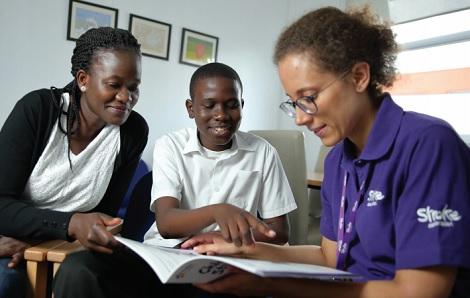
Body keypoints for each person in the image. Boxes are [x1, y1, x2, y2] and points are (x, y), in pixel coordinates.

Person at [181, 6, 470, 298]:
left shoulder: (427, 144)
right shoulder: (338, 161)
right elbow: (330, 258)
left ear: (359, 77)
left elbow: (418, 293)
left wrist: (271, 285)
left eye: (308, 97)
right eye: (294, 103)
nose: (300, 118)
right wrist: (244, 249)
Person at [53, 62, 297, 298]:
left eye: (231, 105)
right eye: (209, 105)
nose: (221, 115)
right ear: (191, 108)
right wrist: (218, 212)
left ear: (242, 105)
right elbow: (167, 224)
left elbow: (279, 232)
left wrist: (223, 240)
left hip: (225, 263)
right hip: (164, 257)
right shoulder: (171, 146)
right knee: (80, 268)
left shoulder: (263, 152)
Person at [0, 27, 148, 298]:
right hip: (6, 240)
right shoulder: (38, 110)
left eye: (134, 87)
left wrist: (58, 235)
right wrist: (70, 223)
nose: (126, 98)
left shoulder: (132, 132)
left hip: (60, 248)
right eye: (114, 85)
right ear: (83, 79)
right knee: (8, 285)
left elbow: (104, 217)